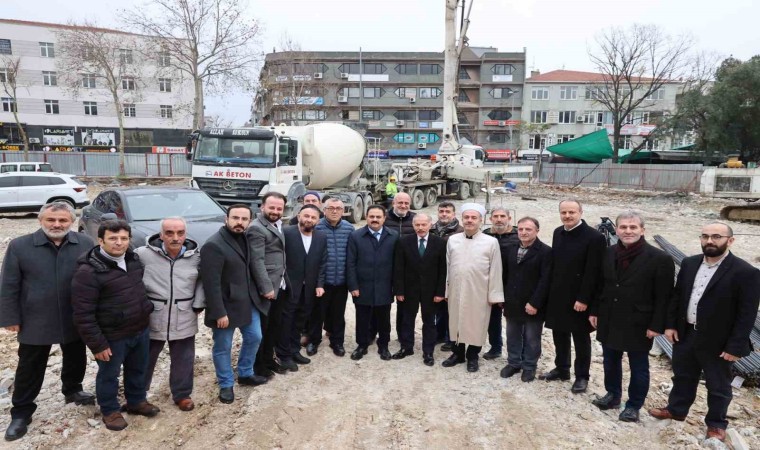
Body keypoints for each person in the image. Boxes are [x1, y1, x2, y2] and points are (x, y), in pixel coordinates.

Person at [649, 222, 760, 442]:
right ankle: (677, 410)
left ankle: (716, 424)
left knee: (718, 385)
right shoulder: (690, 264)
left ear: (730, 241)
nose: (710, 241)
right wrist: (671, 325)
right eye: (705, 236)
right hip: (686, 333)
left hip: (719, 341)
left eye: (716, 237)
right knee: (683, 376)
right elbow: (677, 297)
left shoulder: (745, 272)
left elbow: (747, 314)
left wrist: (735, 346)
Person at [0, 202, 95, 442]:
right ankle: (21, 412)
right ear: (40, 220)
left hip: (74, 314)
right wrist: (10, 317)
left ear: (71, 222)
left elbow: (94, 279)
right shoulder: (20, 246)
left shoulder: (84, 243)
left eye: (63, 220)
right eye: (51, 220)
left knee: (75, 355)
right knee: (30, 365)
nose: (57, 225)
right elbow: (8, 285)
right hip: (35, 317)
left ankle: (72, 389)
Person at [71, 220, 158, 431]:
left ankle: (136, 401)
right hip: (112, 336)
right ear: (100, 240)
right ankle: (110, 410)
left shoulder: (133, 260)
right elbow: (83, 313)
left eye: (123, 238)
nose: (119, 243)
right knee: (109, 375)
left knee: (138, 369)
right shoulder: (89, 271)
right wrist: (97, 344)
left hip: (139, 329)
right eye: (113, 238)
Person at [588, 211, 674, 422]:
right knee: (610, 360)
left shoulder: (660, 259)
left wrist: (656, 325)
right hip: (610, 317)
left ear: (642, 230)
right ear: (616, 230)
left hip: (639, 321)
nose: (628, 231)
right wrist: (595, 310)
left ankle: (634, 405)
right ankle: (613, 395)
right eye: (623, 227)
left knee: (638, 366)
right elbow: (601, 285)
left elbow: (664, 297)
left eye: (633, 227)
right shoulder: (609, 253)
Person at [135, 217, 205, 412]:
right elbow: (132, 281)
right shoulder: (143, 255)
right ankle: (138, 395)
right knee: (144, 357)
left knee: (184, 358)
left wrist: (199, 302)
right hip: (152, 315)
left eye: (180, 233)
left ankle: (182, 394)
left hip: (184, 314)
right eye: (169, 233)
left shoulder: (196, 257)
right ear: (161, 234)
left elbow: (204, 281)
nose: (175, 238)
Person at [201, 204, 268, 405]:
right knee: (223, 347)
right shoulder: (213, 245)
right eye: (235, 218)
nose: (239, 222)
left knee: (255, 336)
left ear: (249, 221)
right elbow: (210, 284)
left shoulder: (245, 238)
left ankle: (245, 373)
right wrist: (219, 312)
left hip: (247, 302)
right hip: (225, 307)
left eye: (244, 219)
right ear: (226, 219)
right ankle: (226, 384)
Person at [541, 199, 606, 394]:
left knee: (580, 338)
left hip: (579, 298)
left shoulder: (594, 237)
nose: (567, 216)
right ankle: (562, 369)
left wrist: (584, 298)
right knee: (559, 334)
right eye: (564, 212)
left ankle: (582, 376)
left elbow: (593, 272)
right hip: (558, 294)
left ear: (580, 212)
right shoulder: (557, 233)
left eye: (572, 212)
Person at [442, 203, 504, 372]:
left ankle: (472, 356)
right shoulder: (453, 240)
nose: (469, 221)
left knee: (477, 324)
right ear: (462, 219)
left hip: (479, 291)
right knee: (456, 322)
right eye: (467, 217)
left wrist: (495, 295)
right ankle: (458, 353)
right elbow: (447, 266)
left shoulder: (491, 242)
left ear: (481, 221)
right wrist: (446, 290)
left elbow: (496, 269)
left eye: (473, 218)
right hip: (456, 290)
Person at [500, 217, 552, 382]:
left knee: (532, 337)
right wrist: (502, 297)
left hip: (533, 303)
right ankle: (514, 362)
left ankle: (529, 366)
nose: (523, 232)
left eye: (528, 229)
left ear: (537, 231)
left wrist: (535, 303)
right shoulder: (512, 248)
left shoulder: (545, 252)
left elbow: (546, 280)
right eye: (521, 229)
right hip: (512, 301)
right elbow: (505, 275)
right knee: (512, 334)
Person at [393, 213, 447, 366]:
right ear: (413, 225)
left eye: (424, 224)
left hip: (431, 292)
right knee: (407, 320)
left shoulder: (440, 243)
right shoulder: (404, 242)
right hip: (409, 290)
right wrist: (399, 291)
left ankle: (428, 351)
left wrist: (440, 292)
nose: (420, 228)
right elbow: (398, 268)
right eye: (417, 225)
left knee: (429, 321)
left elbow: (443, 270)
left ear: (430, 225)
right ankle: (406, 347)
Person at [347, 204, 399, 361]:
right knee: (362, 317)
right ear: (366, 217)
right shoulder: (356, 236)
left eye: (378, 217)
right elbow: (350, 263)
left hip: (385, 286)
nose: (375, 220)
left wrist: (395, 286)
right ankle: (362, 345)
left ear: (384, 218)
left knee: (384, 319)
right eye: (372, 216)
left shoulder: (394, 236)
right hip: (363, 286)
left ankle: (383, 346)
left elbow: (398, 264)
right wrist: (353, 286)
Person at [248, 192, 291, 374]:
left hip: (279, 284)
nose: (275, 211)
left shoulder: (278, 224)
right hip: (267, 289)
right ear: (262, 207)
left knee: (274, 326)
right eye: (271, 207)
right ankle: (259, 366)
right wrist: (266, 288)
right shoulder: (257, 228)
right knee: (263, 329)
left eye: (279, 208)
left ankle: (269, 359)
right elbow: (256, 261)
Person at [307, 197, 354, 357]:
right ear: (324, 210)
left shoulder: (349, 229)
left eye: (338, 208)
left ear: (343, 211)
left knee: (338, 313)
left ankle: (337, 342)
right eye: (331, 208)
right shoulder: (317, 227)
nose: (335, 211)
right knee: (317, 313)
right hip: (321, 281)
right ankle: (314, 340)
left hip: (341, 280)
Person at [281, 205, 327, 366]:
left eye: (313, 217)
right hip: (289, 288)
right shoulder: (286, 233)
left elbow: (322, 263)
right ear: (299, 215)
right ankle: (283, 354)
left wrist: (320, 284)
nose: (309, 220)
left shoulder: (321, 237)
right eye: (306, 216)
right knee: (286, 321)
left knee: (300, 321)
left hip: (309, 289)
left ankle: (294, 350)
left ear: (318, 220)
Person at [482, 207, 518, 360]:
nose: (499, 219)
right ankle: (496, 347)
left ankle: (517, 353)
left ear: (509, 218)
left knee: (514, 321)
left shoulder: (519, 235)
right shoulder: (485, 235)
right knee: (493, 318)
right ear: (490, 220)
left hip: (513, 284)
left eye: (502, 216)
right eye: (495, 216)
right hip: (492, 283)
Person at [430, 201, 463, 351]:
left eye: (447, 212)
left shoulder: (460, 231)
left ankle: (452, 337)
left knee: (452, 308)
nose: (444, 214)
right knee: (439, 307)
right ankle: (439, 334)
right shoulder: (431, 230)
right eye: (441, 211)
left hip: (454, 274)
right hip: (436, 274)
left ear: (453, 214)